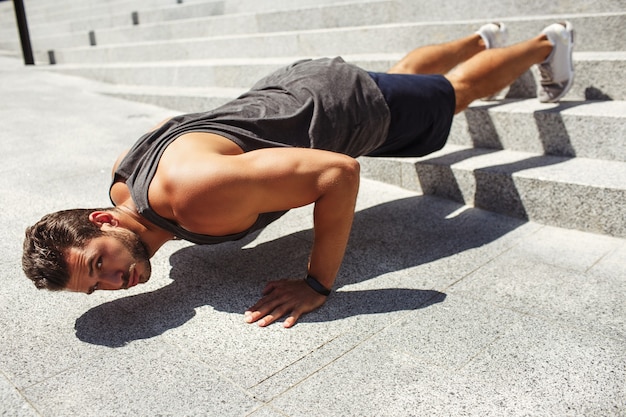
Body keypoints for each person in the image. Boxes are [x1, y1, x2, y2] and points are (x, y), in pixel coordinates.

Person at [22, 22, 575, 328]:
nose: (115, 283)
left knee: (453, 96)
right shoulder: (124, 180)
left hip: (340, 111)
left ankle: (549, 42)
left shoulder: (193, 199)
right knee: (404, 77)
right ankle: (482, 39)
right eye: (96, 287)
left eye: (100, 265)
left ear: (101, 221)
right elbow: (174, 125)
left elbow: (337, 173)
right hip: (292, 90)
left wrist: (316, 284)